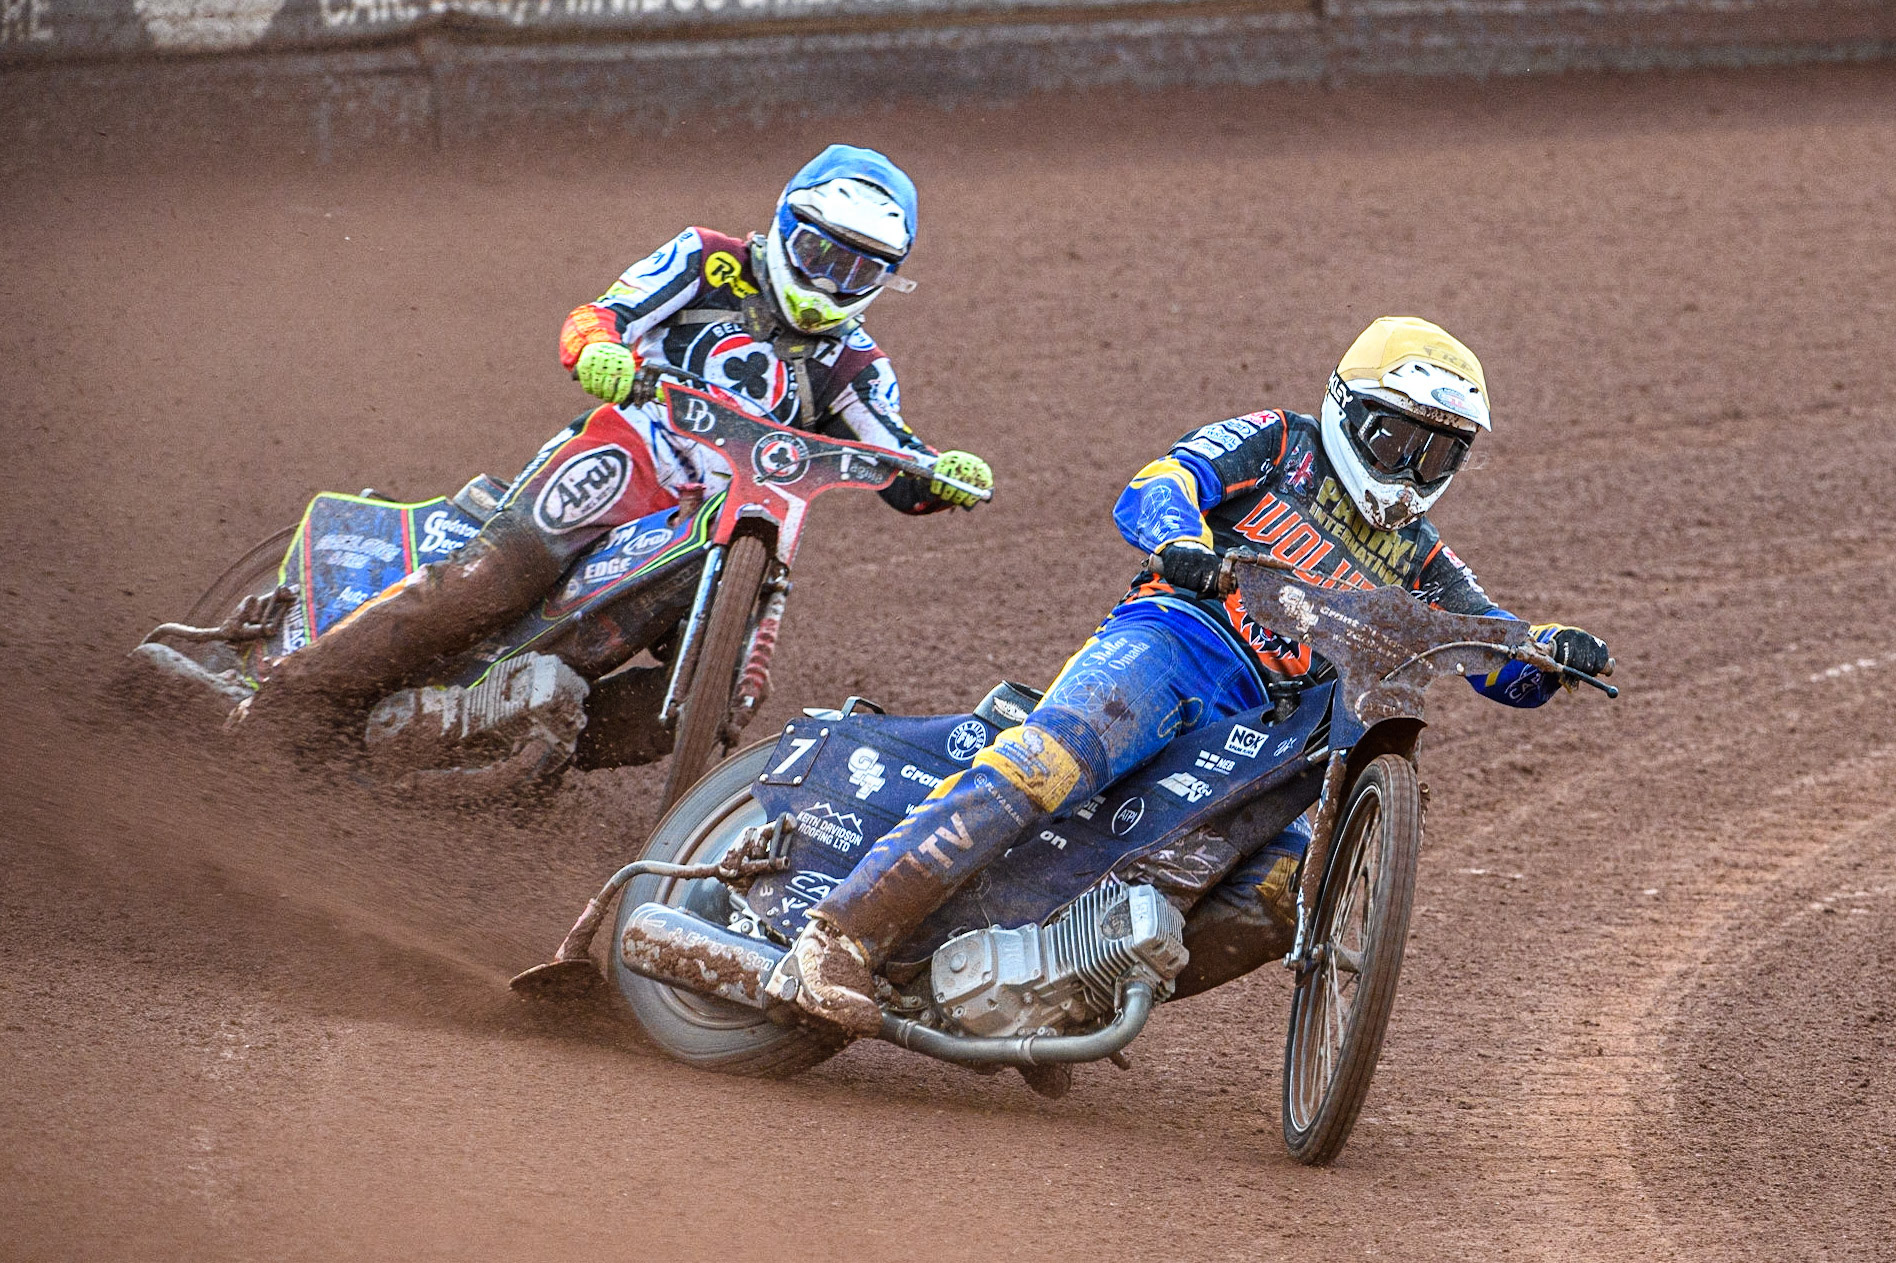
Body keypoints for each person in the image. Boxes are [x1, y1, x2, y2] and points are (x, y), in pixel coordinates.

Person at [780, 316, 1611, 1035]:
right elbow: (1162, 481)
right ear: (1348, 411)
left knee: (1282, 894)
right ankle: (837, 935)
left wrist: (1549, 652)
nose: (1409, 469)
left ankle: (1067, 995)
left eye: (1436, 454)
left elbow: (1490, 653)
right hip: (1179, 640)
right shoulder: (1282, 442)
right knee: (1048, 763)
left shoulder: (1425, 560)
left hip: (1275, 730)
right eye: (1395, 439)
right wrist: (1183, 539)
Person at [246, 145, 991, 725]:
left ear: (887, 278)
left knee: (719, 697)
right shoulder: (708, 260)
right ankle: (282, 703)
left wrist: (940, 474)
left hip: (725, 525)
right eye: (821, 253)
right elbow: (601, 314)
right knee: (481, 585)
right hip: (630, 452)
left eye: (860, 269)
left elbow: (892, 455)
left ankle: (519, 735)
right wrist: (599, 352)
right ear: (787, 226)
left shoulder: (856, 364)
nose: (831, 280)